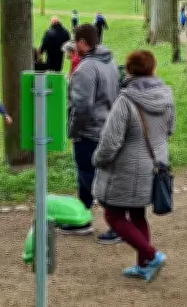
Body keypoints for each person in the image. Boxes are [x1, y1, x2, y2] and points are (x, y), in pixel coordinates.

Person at [93, 50, 173, 282]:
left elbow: (110, 142)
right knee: (138, 213)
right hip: (156, 165)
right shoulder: (167, 97)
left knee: (113, 215)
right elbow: (169, 129)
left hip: (127, 168)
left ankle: (151, 255)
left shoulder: (125, 101)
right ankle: (143, 265)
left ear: (128, 70)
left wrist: (98, 159)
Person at [63, 24, 121, 243]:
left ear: (81, 43)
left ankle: (118, 224)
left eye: (75, 41)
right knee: (89, 177)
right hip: (107, 128)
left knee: (91, 178)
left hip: (90, 132)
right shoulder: (110, 62)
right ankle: (82, 219)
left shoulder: (86, 69)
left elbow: (82, 107)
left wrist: (73, 130)